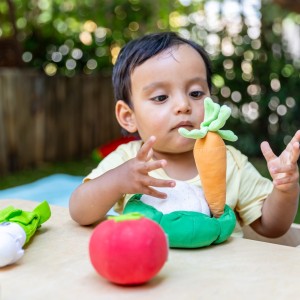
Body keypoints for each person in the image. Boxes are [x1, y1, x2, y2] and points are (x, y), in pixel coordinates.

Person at [69, 31, 300, 238]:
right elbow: (80, 212)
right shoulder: (128, 160)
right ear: (128, 116)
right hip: (149, 278)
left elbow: (271, 227)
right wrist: (117, 181)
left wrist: (285, 189)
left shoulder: (230, 162)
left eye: (196, 93)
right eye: (161, 97)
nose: (183, 105)